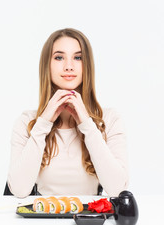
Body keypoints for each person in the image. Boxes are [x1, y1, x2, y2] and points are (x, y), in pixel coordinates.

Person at [7, 28, 129, 198]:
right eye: (59, 57)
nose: (69, 66)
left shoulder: (109, 119)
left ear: (87, 65)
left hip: (89, 221)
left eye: (78, 58)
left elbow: (117, 189)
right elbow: (19, 190)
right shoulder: (27, 121)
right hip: (40, 222)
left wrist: (87, 124)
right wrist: (43, 122)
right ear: (47, 66)